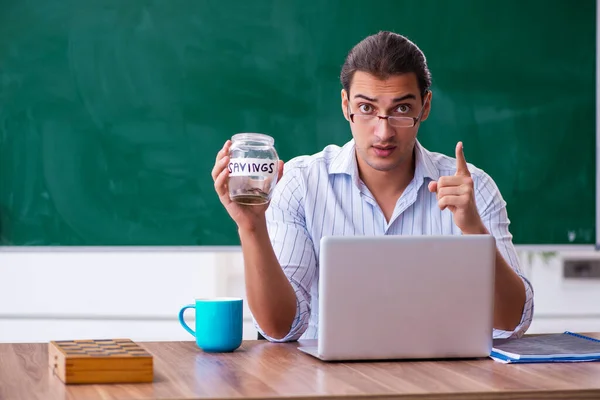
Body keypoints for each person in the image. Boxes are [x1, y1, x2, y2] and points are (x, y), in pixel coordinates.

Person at [211, 31, 533, 342]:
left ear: (426, 106)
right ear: (345, 105)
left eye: (402, 109)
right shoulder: (300, 184)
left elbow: (512, 323)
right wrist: (252, 226)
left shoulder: (473, 190)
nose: (383, 132)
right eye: (366, 109)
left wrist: (475, 231)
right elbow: (281, 327)